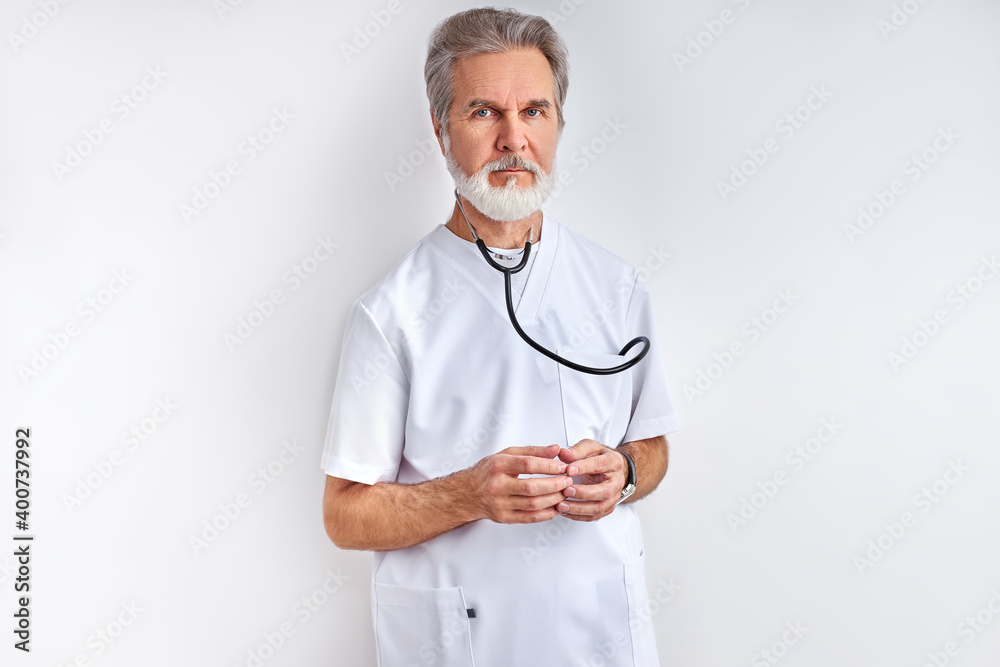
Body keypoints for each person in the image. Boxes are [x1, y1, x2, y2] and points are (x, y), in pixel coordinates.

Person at [321, 7, 681, 666]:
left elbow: (653, 444)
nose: (514, 139)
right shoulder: (392, 311)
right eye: (484, 112)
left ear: (559, 125)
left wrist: (626, 472)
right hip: (464, 642)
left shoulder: (617, 286)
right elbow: (345, 513)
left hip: (600, 635)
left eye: (535, 112)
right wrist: (469, 494)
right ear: (441, 130)